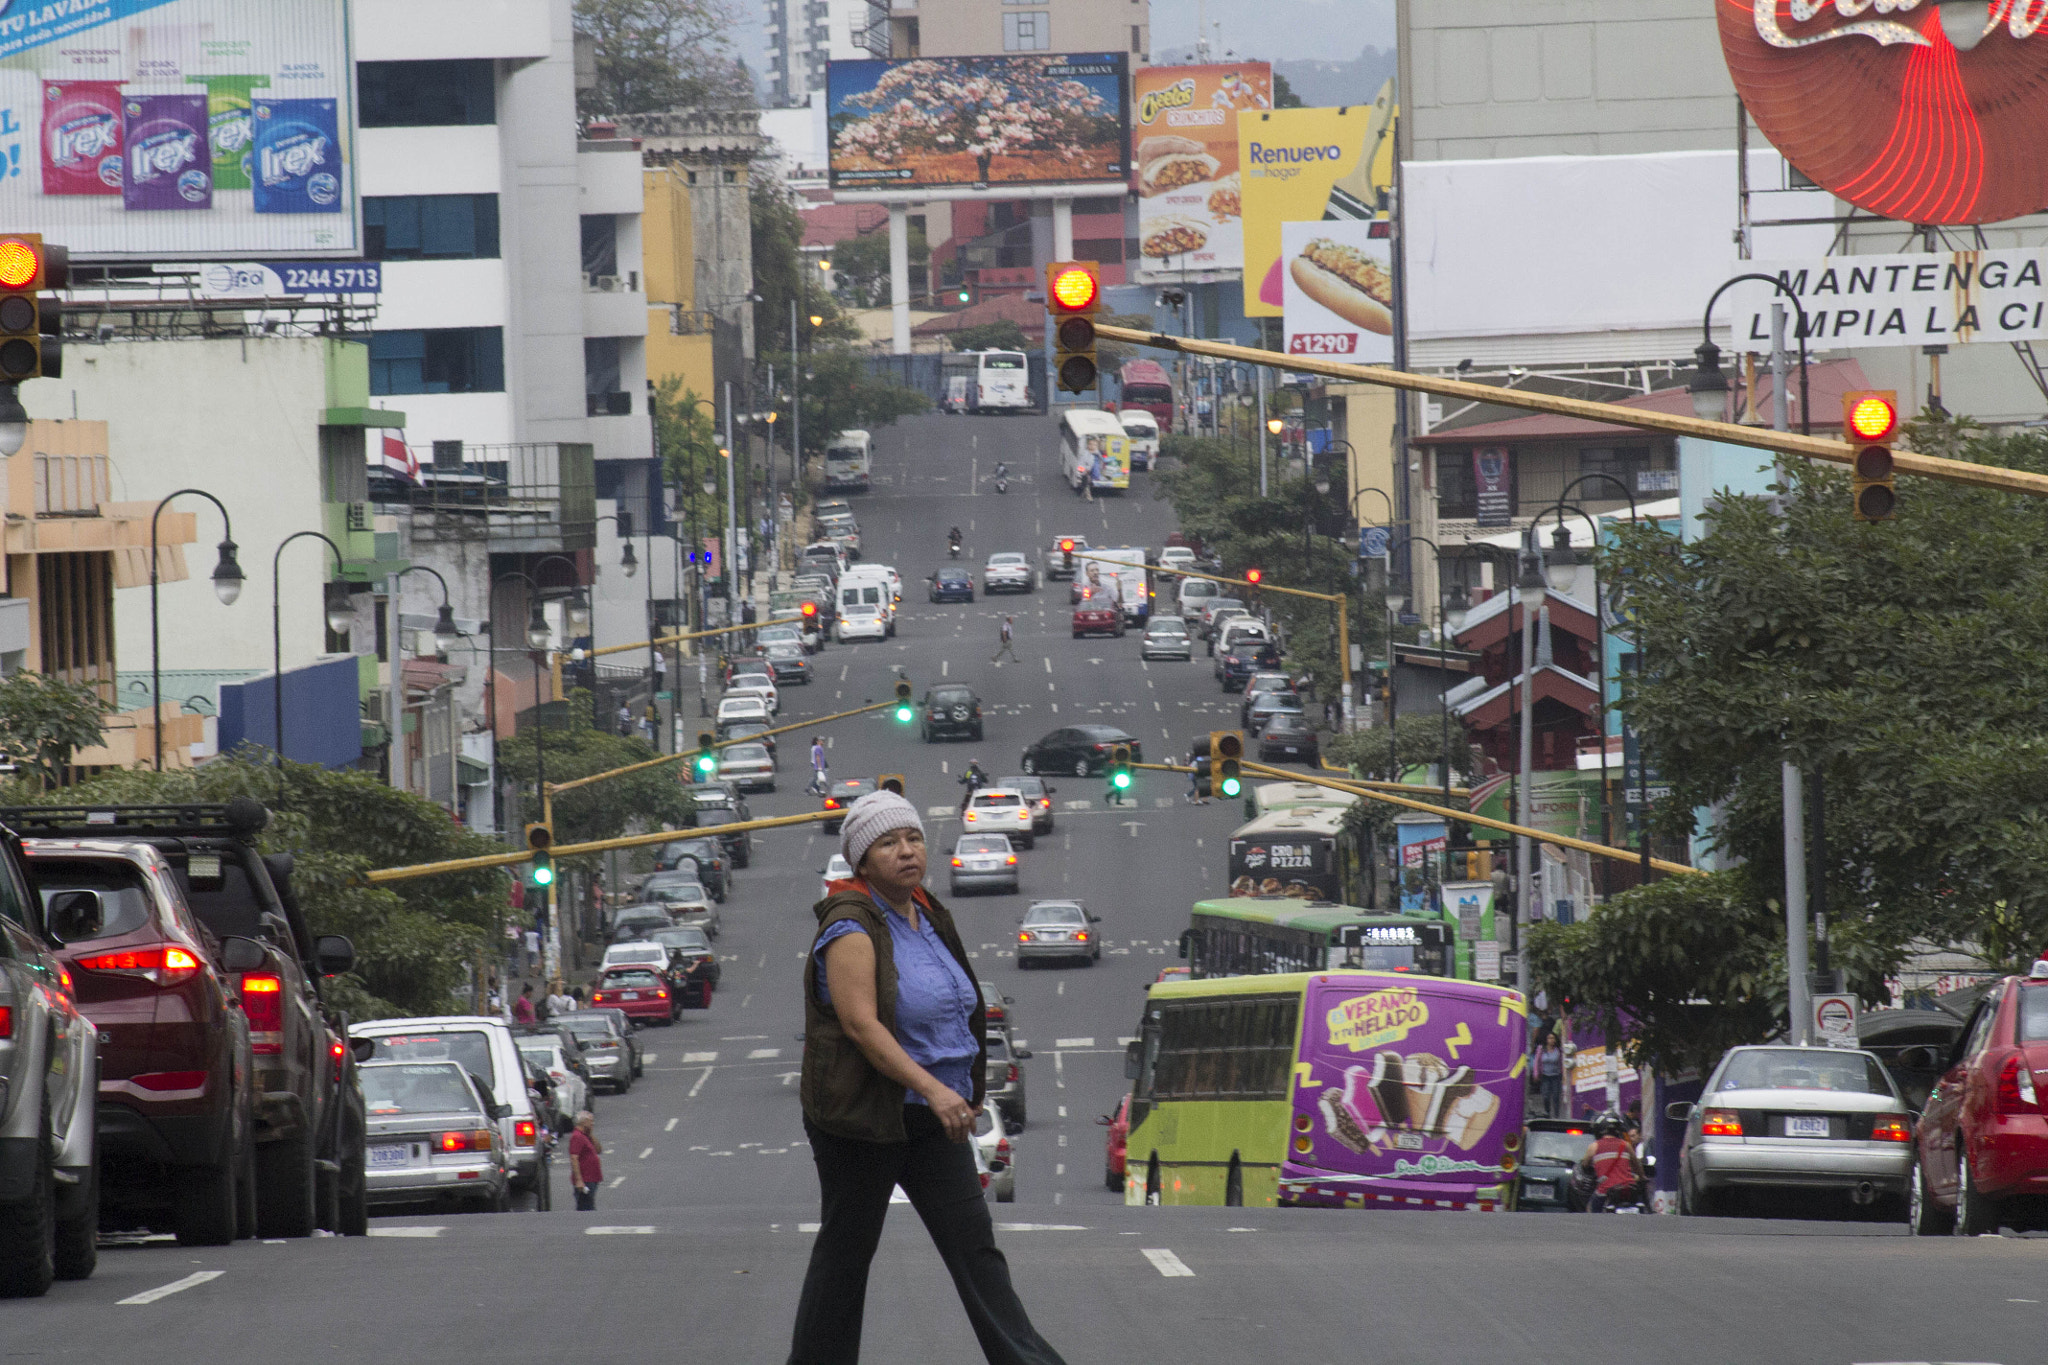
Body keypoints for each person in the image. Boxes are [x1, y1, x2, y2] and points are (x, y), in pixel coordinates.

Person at [789, 792, 1067, 1365]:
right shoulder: (850, 925)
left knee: (976, 1251)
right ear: (862, 862)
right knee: (846, 1257)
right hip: (867, 1120)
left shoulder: (927, 914)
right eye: (887, 844)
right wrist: (938, 1088)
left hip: (934, 1119)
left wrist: (955, 1085)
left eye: (912, 838)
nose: (906, 851)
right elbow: (861, 1025)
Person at [1579, 1111, 1645, 1212]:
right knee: (1643, 1208)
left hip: (1605, 1192)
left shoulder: (1594, 1146)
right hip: (1628, 1189)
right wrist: (1642, 1177)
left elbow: (1585, 1165)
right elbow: (1637, 1166)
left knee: (1591, 1211)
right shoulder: (1625, 1145)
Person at [569, 1111, 603, 1211]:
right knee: (586, 1208)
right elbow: (574, 1158)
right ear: (583, 1122)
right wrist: (579, 1180)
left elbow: (599, 1150)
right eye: (590, 1121)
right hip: (585, 1180)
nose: (593, 1124)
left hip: (592, 1178)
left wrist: (591, 1134)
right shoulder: (577, 1137)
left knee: (589, 1205)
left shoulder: (586, 1136)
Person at [1535, 1032, 1565, 1119]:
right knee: (1546, 1096)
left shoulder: (1558, 1050)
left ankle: (1556, 1115)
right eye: (1549, 1038)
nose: (1551, 1040)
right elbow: (1537, 1062)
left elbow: (1562, 1063)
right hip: (1545, 1076)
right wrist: (1536, 1073)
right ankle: (1547, 1112)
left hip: (1556, 1076)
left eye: (1553, 1038)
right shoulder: (1541, 1049)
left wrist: (1563, 1076)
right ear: (1546, 1040)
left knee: (1556, 1096)